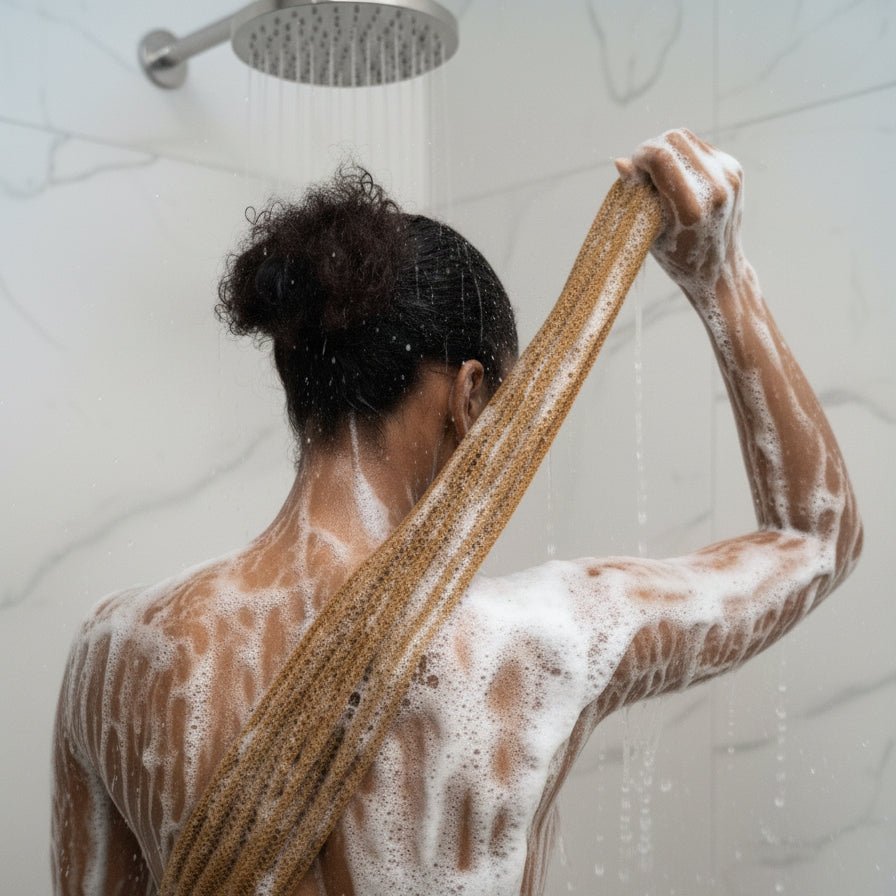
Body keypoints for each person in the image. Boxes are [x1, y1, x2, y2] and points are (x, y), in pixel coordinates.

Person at [51, 129, 862, 895]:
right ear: (471, 396)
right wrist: (720, 277)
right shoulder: (540, 641)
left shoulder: (118, 652)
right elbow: (816, 537)